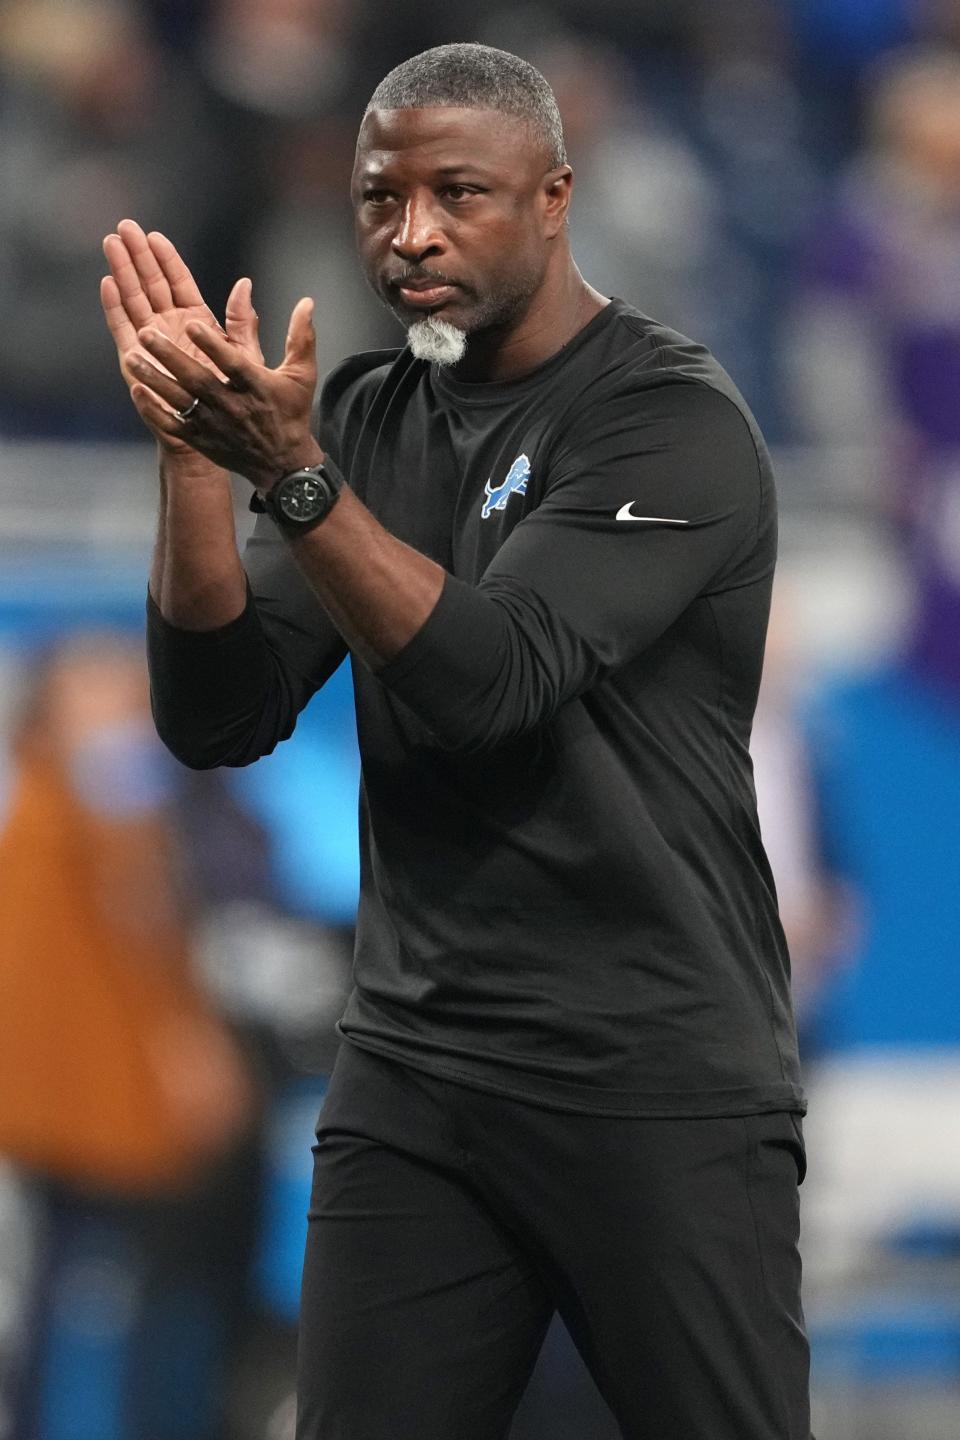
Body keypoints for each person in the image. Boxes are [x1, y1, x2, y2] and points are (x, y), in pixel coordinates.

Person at [100, 42, 811, 1440]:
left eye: (458, 193)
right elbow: (217, 714)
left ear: (555, 196)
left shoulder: (670, 423)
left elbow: (496, 681)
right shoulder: (364, 414)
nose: (409, 232)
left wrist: (293, 478)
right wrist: (197, 470)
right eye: (380, 198)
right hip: (419, 1071)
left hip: (651, 1072)